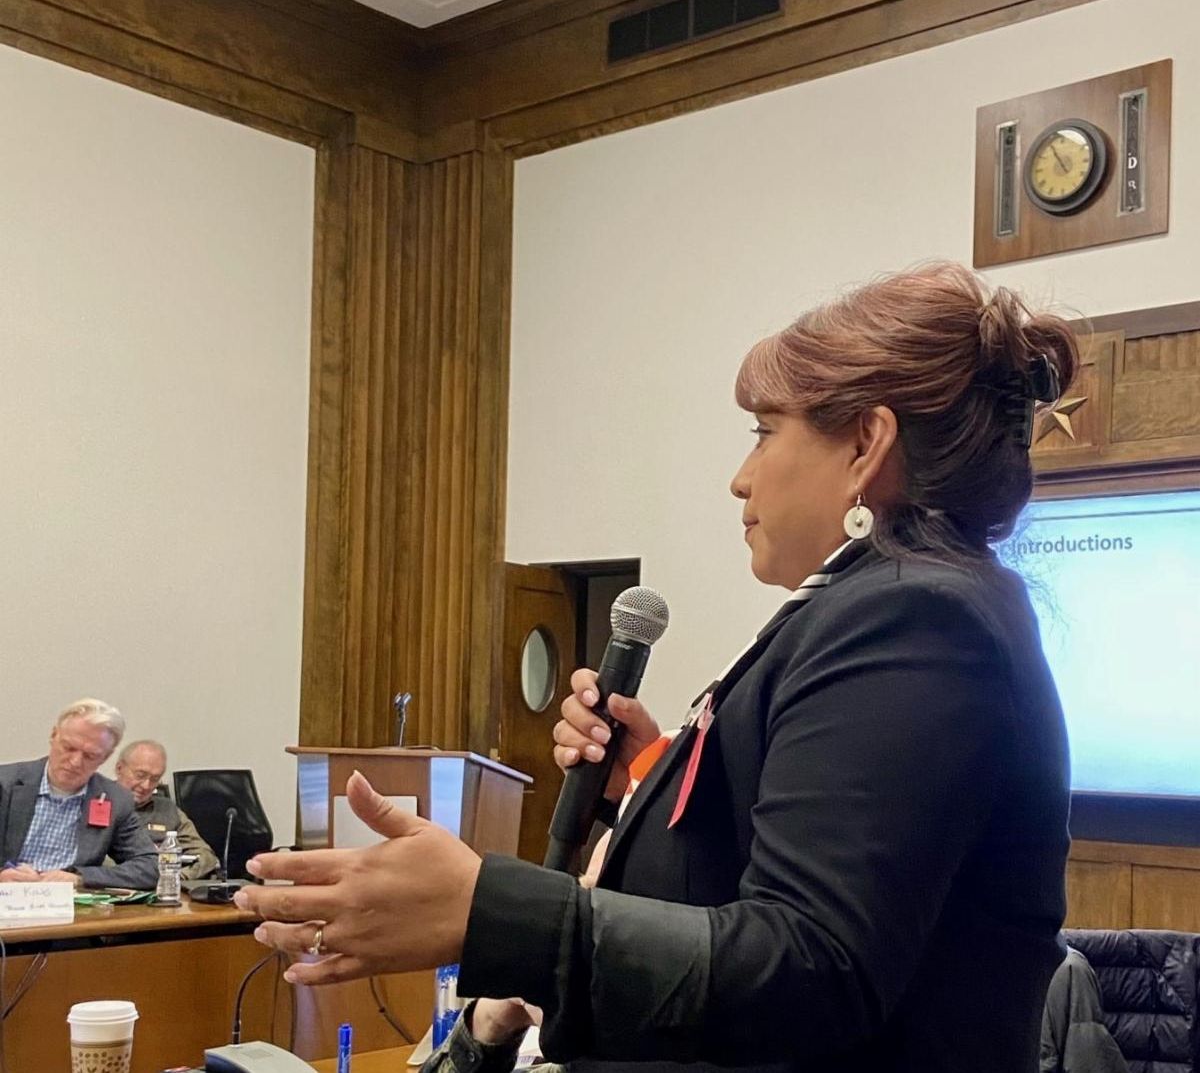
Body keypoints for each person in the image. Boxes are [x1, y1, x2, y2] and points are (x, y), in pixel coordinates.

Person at [238, 261, 1078, 1071]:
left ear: (866, 443)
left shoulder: (915, 618)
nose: (740, 479)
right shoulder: (889, 605)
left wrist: (489, 911)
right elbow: (775, 885)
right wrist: (653, 784)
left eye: (764, 431)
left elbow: (811, 967)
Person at [0, 698, 158, 889]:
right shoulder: (5, 784)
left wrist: (80, 878)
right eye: (69, 748)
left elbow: (150, 867)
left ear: (105, 757)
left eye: (90, 756)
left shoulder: (115, 799)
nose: (75, 762)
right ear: (53, 735)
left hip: (73, 902)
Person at [113, 739, 220, 879]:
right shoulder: (97, 803)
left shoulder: (168, 810)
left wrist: (177, 877)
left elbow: (205, 856)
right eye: (140, 776)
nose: (146, 785)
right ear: (119, 769)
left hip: (164, 884)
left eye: (155, 779)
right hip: (114, 884)